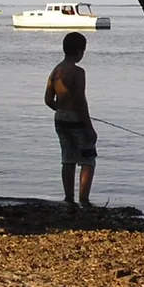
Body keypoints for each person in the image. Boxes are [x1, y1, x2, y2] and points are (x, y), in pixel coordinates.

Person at [44, 32, 97, 206]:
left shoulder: (56, 71)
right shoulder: (78, 72)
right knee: (88, 159)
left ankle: (68, 198)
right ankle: (84, 199)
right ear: (80, 50)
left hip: (60, 118)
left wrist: (62, 109)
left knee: (68, 159)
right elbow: (81, 100)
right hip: (76, 119)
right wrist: (89, 127)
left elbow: (48, 100)